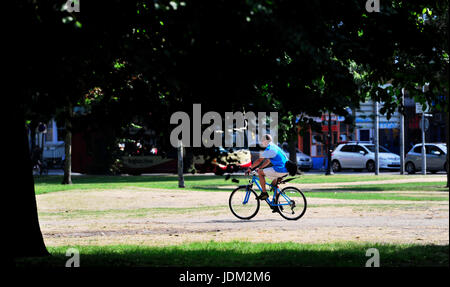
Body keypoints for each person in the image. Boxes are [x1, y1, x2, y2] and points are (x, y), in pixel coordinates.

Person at [246, 134, 289, 201]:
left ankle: (264, 193)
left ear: (266, 141)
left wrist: (250, 168)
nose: (261, 143)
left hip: (280, 169)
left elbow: (260, 160)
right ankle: (277, 204)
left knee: (260, 173)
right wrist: (260, 167)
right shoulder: (274, 146)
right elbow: (268, 160)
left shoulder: (269, 148)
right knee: (274, 185)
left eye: (262, 141)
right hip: (286, 169)